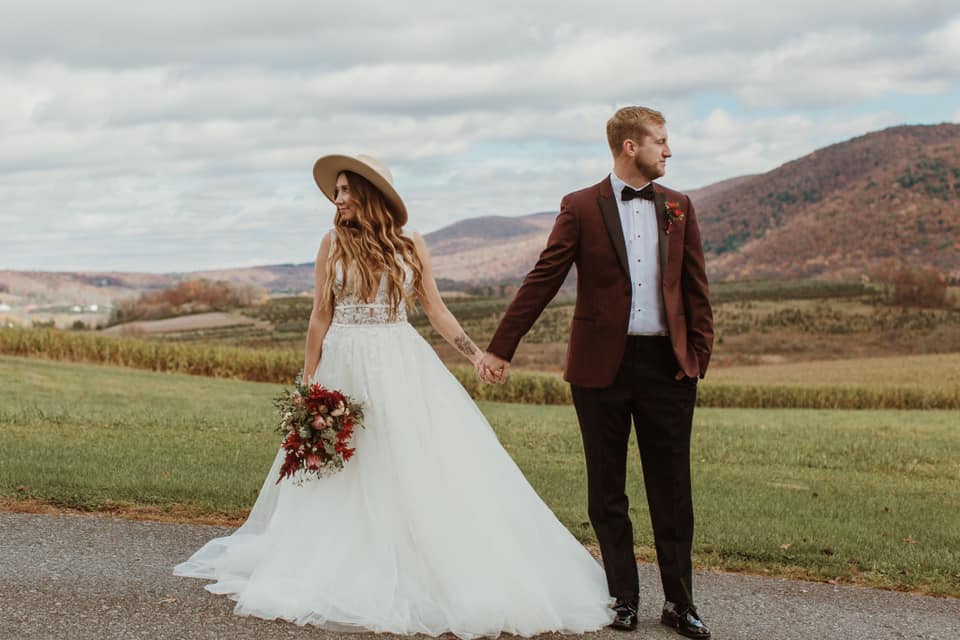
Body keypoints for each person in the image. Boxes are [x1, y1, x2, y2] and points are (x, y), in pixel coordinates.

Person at [173, 153, 614, 638]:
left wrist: (474, 355)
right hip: (344, 361)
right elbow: (320, 316)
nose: (337, 199)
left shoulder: (410, 245)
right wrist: (309, 384)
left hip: (400, 361)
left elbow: (436, 310)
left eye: (345, 190)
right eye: (335, 191)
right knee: (345, 464)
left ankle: (419, 562)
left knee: (410, 461)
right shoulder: (331, 243)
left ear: (370, 194)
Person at [478, 107, 714, 638]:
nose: (669, 151)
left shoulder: (679, 206)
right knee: (607, 489)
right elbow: (544, 278)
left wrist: (696, 357)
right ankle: (622, 598)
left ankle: (681, 603)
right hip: (599, 370)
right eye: (661, 141)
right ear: (630, 146)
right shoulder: (581, 207)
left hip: (667, 369)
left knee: (672, 490)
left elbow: (697, 289)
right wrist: (501, 348)